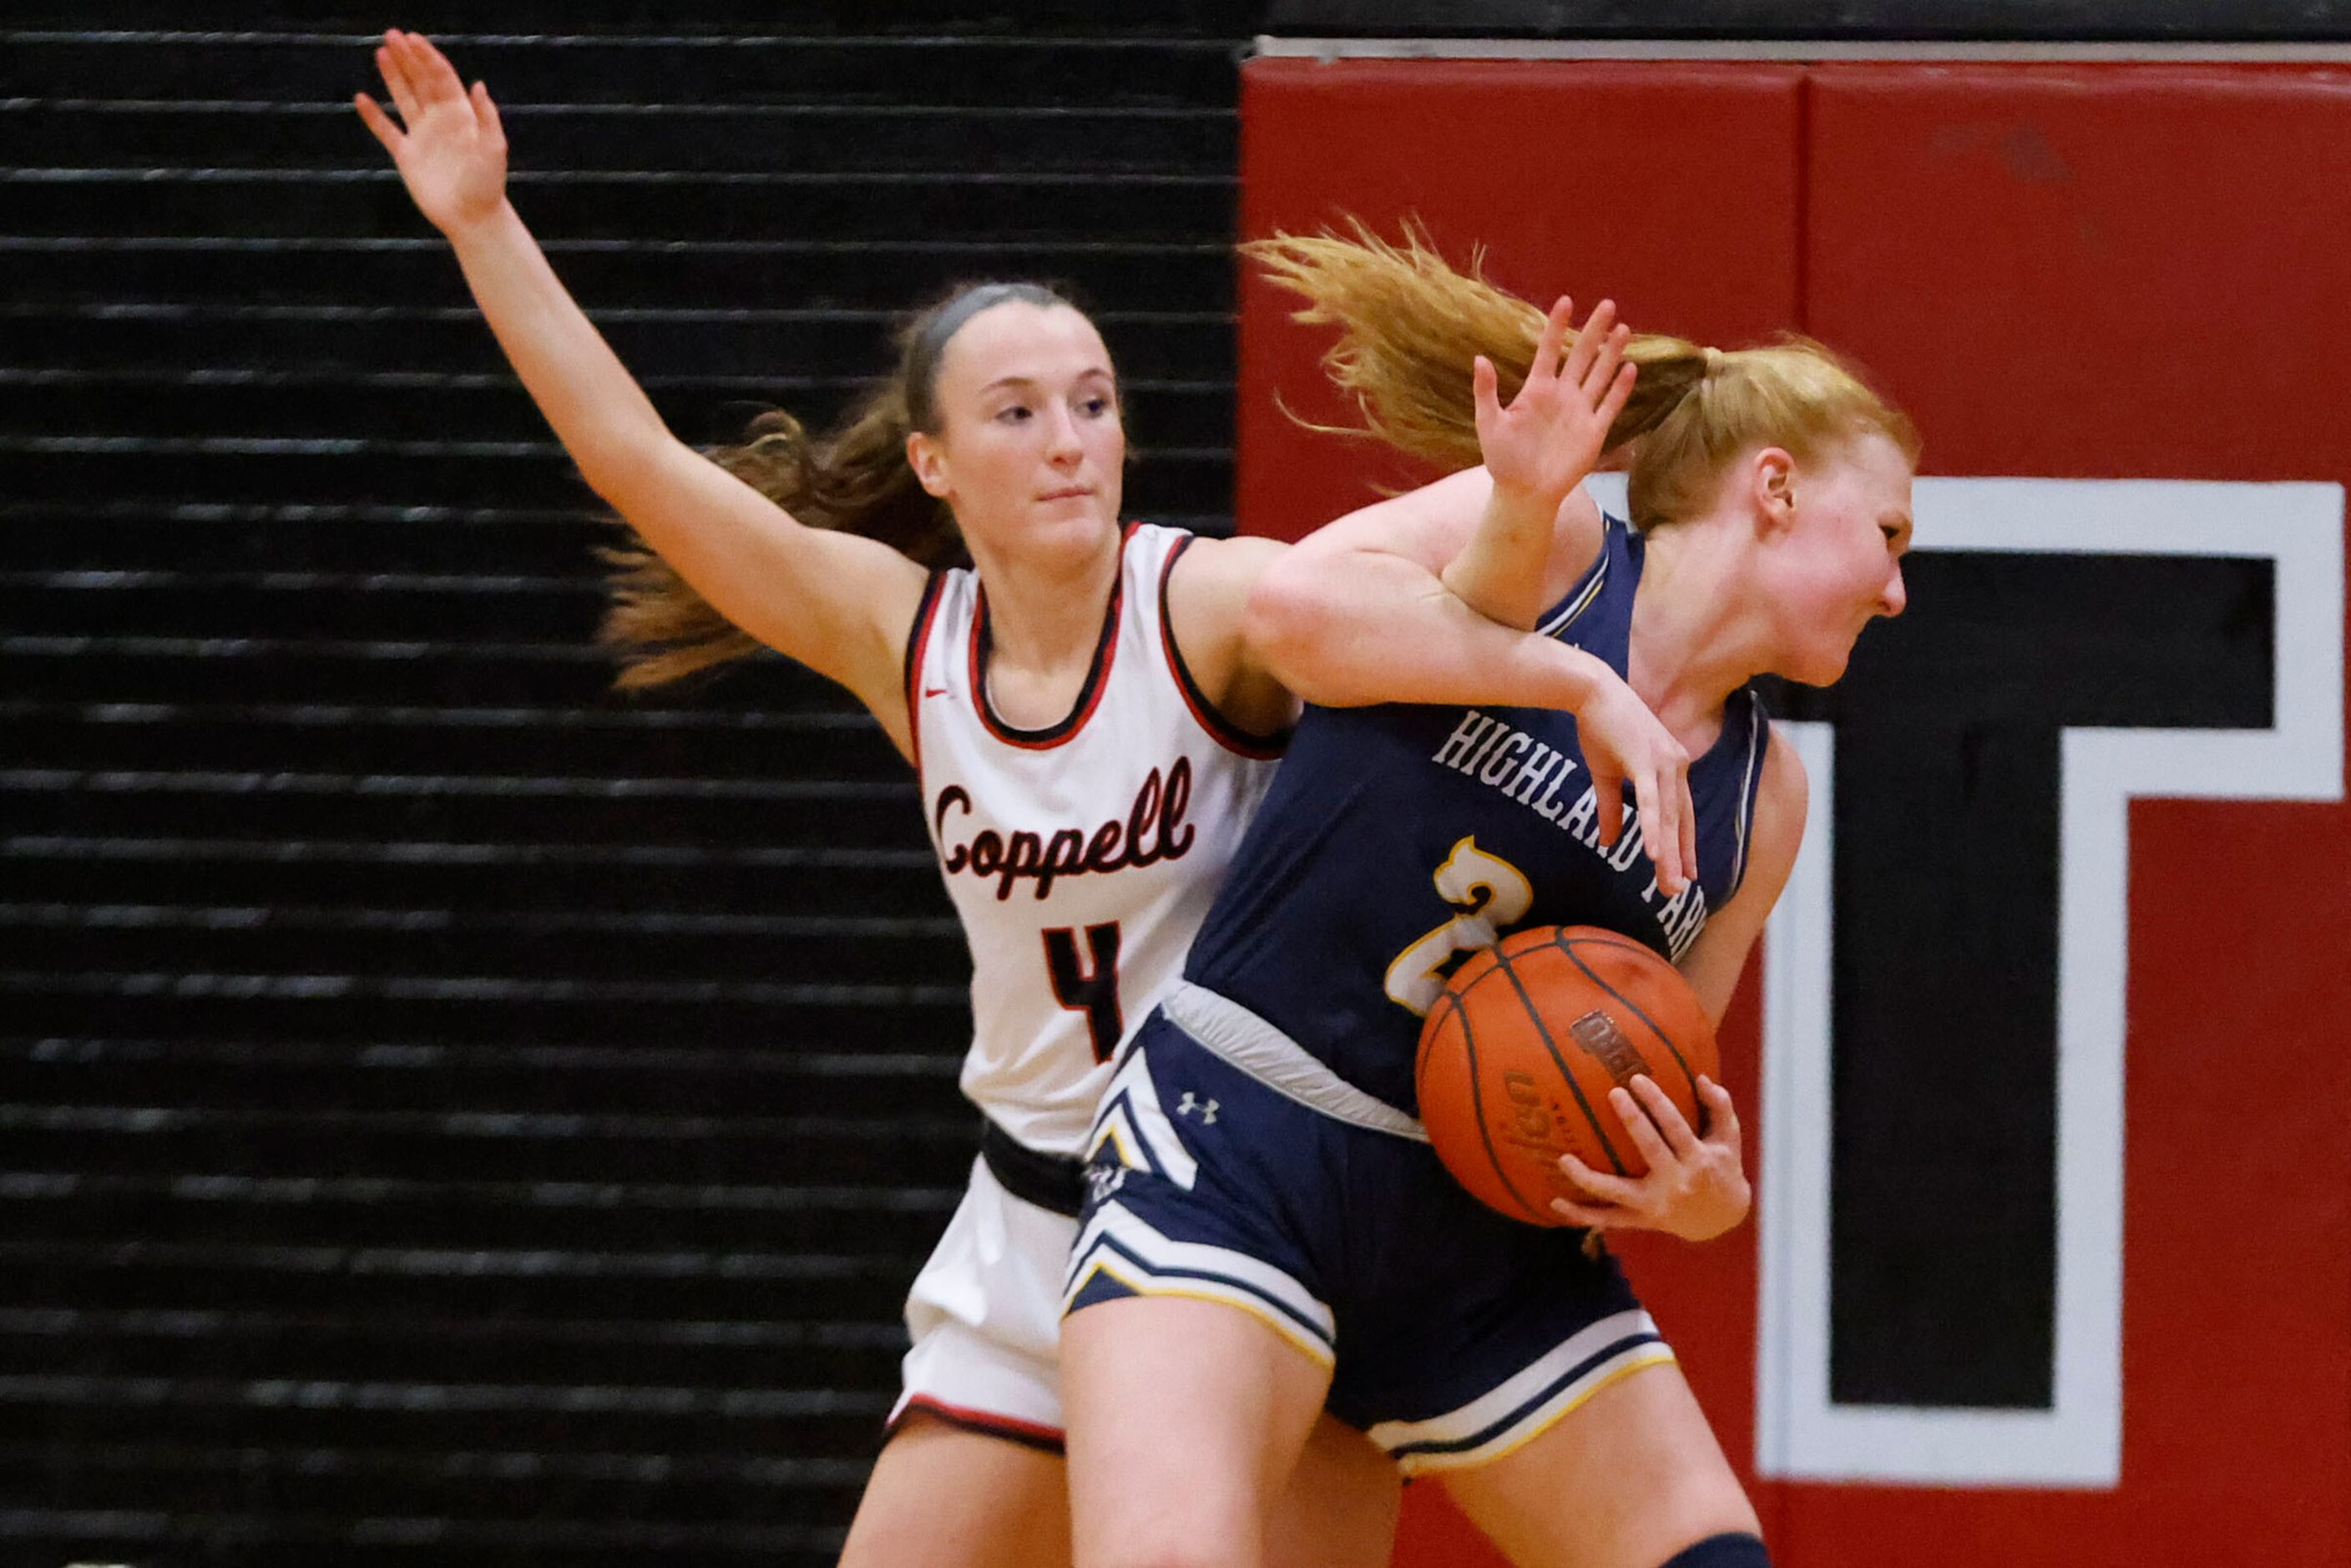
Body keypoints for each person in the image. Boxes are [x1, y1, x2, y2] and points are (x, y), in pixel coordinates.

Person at [355, 34, 1702, 1567]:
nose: (1070, 441)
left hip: (1236, 1215)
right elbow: (636, 459)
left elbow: (1423, 620)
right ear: (931, 462)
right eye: (1016, 414)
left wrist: (1540, 552)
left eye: (1094, 401)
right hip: (1030, 1212)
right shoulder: (900, 639)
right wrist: (481, 221)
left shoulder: (1209, 606)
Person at [1059, 227, 1919, 1568]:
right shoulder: (1558, 540)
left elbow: (1656, 1068)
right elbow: (1288, 618)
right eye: (1888, 531)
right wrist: (1574, 676)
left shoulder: (1770, 797)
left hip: (1476, 1239)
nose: (1898, 585)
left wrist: (1699, 1193)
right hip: (1244, 1142)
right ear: (1776, 488)